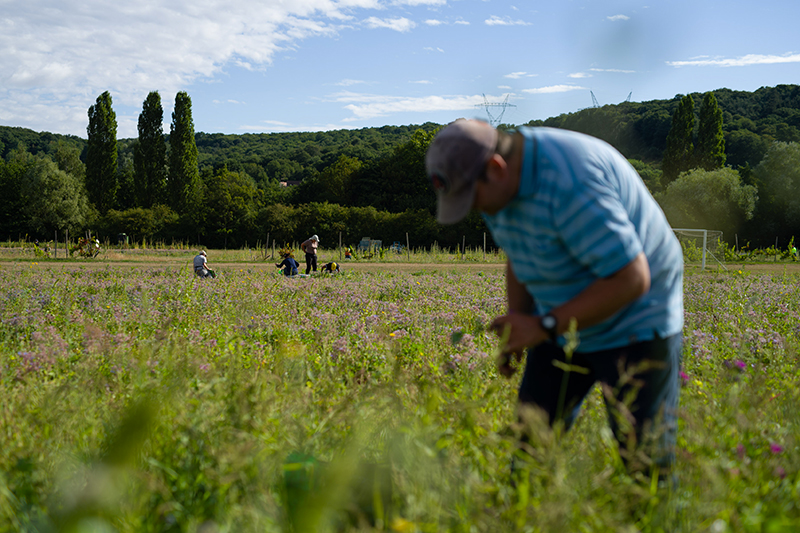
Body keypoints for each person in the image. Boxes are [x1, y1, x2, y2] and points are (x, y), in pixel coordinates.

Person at [426, 119, 684, 481]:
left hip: (635, 318)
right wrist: (519, 321)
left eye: (472, 198)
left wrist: (543, 325)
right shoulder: (501, 191)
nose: (473, 209)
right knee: (530, 451)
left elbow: (632, 278)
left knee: (645, 461)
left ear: (496, 169)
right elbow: (519, 255)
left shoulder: (570, 180)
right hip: (558, 320)